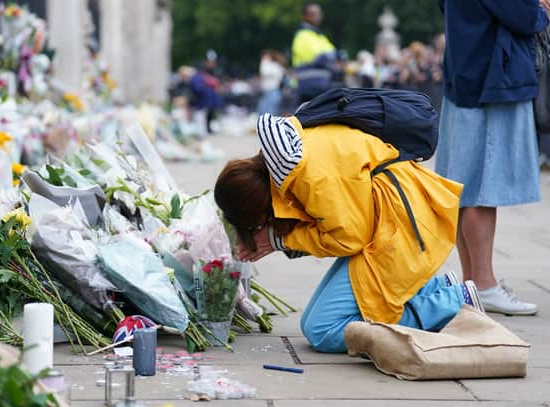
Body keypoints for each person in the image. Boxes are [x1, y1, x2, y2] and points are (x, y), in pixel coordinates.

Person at [214, 113, 484, 353]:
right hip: (393, 216)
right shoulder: (281, 160)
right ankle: (437, 287)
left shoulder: (309, 176)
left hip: (400, 228)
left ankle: (455, 302)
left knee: (322, 330)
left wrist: (279, 240)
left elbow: (348, 238)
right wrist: (278, 240)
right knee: (314, 321)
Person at [436, 0, 550, 315]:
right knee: (484, 190)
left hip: (463, 80)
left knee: (464, 190)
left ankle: (472, 284)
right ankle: (484, 284)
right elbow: (524, 18)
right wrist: (541, 11)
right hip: (494, 81)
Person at [291, 3, 337, 103]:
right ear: (304, 16)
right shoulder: (302, 35)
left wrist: (329, 56)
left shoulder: (319, 36)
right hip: (308, 87)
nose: (318, 16)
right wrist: (328, 56)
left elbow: (333, 54)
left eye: (319, 13)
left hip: (322, 85)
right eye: (313, 13)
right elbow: (319, 57)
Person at [189, 50, 223, 137]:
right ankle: (203, 129)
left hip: (210, 96)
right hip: (202, 97)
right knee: (201, 113)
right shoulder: (201, 69)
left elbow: (217, 83)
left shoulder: (216, 70)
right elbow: (198, 83)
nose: (211, 63)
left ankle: (208, 127)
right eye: (209, 61)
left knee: (211, 109)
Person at [256, 50, 287, 115]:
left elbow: (264, 72)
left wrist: (264, 61)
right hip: (270, 91)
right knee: (265, 112)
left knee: (267, 113)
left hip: (272, 91)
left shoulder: (271, 65)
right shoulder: (275, 66)